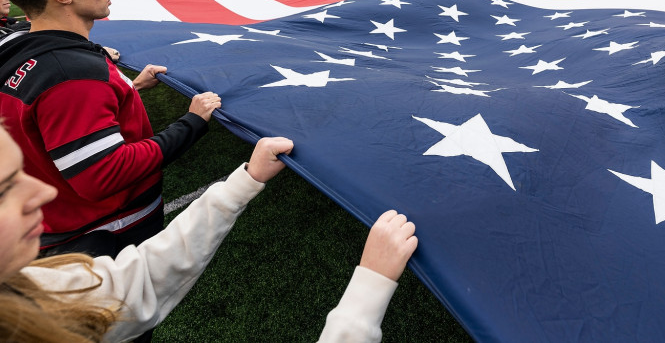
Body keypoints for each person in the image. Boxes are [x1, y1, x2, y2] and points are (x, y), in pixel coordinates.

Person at [0, 127, 420, 342]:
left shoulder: (25, 292)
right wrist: (368, 289)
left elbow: (137, 279)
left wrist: (245, 181)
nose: (44, 190)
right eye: (5, 188)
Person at [0, 0, 221, 257]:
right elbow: (104, 174)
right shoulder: (73, 73)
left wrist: (130, 88)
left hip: (54, 217)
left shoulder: (18, 43)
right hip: (104, 231)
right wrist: (192, 122)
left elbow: (48, 116)